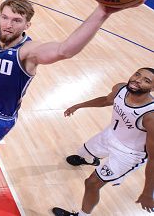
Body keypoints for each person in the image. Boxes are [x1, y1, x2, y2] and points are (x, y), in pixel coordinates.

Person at [0, 0, 144, 178]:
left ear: (27, 25)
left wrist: (102, 12)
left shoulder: (28, 51)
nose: (8, 24)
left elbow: (65, 50)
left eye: (17, 21)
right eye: (5, 17)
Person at [51, 68, 154, 216]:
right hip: (110, 134)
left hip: (128, 154)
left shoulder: (150, 116)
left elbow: (153, 158)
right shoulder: (120, 88)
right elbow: (107, 100)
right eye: (138, 74)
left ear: (152, 88)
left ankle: (82, 215)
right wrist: (78, 105)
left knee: (91, 184)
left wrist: (148, 193)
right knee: (84, 151)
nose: (138, 80)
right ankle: (90, 160)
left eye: (146, 80)